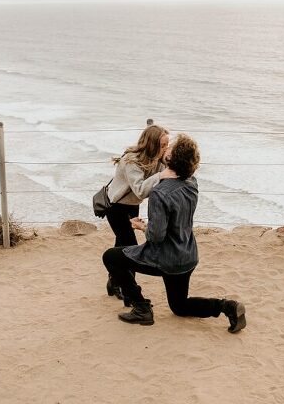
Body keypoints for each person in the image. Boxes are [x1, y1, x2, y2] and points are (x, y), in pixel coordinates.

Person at [102, 133, 247, 333]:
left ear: (171, 158)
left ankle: (141, 308)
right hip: (187, 255)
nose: (166, 148)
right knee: (179, 306)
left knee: (111, 257)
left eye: (169, 148)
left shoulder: (160, 193)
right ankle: (227, 306)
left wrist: (142, 227)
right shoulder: (192, 182)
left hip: (165, 258)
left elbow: (156, 237)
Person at [104, 124, 171, 300]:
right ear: (151, 144)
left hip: (132, 205)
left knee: (121, 244)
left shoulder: (157, 159)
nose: (166, 149)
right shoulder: (130, 161)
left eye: (167, 144)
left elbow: (169, 175)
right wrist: (161, 176)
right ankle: (131, 295)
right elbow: (141, 190)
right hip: (116, 206)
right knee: (131, 249)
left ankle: (113, 281)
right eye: (163, 145)